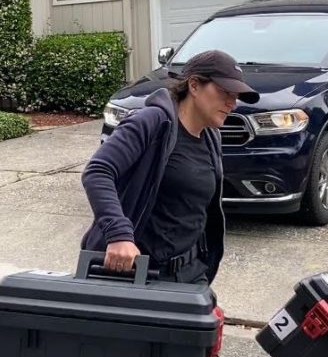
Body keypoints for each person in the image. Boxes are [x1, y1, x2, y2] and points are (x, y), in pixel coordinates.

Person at [79, 49, 259, 284]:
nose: (232, 103)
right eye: (225, 91)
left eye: (236, 96)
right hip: (138, 273)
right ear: (194, 85)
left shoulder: (211, 136)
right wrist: (119, 234)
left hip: (190, 271)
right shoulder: (152, 122)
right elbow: (98, 172)